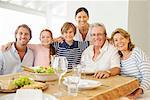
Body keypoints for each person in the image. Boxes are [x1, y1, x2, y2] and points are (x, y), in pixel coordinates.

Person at [110, 28, 150, 99]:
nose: (119, 42)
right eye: (116, 40)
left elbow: (148, 77)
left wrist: (135, 95)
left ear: (128, 39)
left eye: (121, 38)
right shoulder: (118, 57)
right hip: (126, 92)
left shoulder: (137, 52)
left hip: (142, 93)